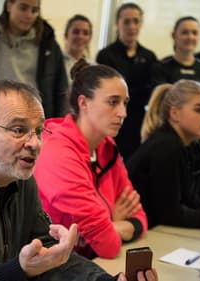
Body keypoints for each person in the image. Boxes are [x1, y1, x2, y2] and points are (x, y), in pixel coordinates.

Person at [0, 80, 158, 281]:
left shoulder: (20, 176)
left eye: (39, 131)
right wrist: (16, 271)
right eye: (18, 130)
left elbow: (49, 252)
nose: (34, 143)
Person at [34, 59, 148, 259]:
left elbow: (140, 218)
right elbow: (109, 246)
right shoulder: (57, 152)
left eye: (125, 103)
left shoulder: (106, 148)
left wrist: (109, 225)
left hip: (85, 262)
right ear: (83, 103)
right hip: (51, 268)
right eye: (113, 102)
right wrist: (111, 222)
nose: (123, 113)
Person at [126, 80, 200, 231]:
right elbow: (170, 214)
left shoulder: (185, 145)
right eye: (199, 110)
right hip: (142, 232)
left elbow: (188, 199)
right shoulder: (167, 146)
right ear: (175, 113)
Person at [96, 2, 157, 160]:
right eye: (127, 21)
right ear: (117, 24)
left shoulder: (149, 57)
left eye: (136, 21)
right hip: (112, 119)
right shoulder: (106, 55)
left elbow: (149, 92)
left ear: (141, 24)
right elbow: (109, 91)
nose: (132, 26)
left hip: (138, 121)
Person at [0, 0, 68, 118]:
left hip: (35, 117)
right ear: (9, 5)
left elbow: (61, 89)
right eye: (23, 8)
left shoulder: (48, 44)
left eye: (34, 10)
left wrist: (57, 124)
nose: (29, 15)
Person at [151, 16, 200, 88]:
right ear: (174, 35)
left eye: (194, 33)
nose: (190, 37)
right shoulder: (161, 68)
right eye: (184, 32)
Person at [63, 14, 93, 85]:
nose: (80, 36)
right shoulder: (56, 63)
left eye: (85, 33)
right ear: (66, 35)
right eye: (76, 32)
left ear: (90, 37)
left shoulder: (93, 66)